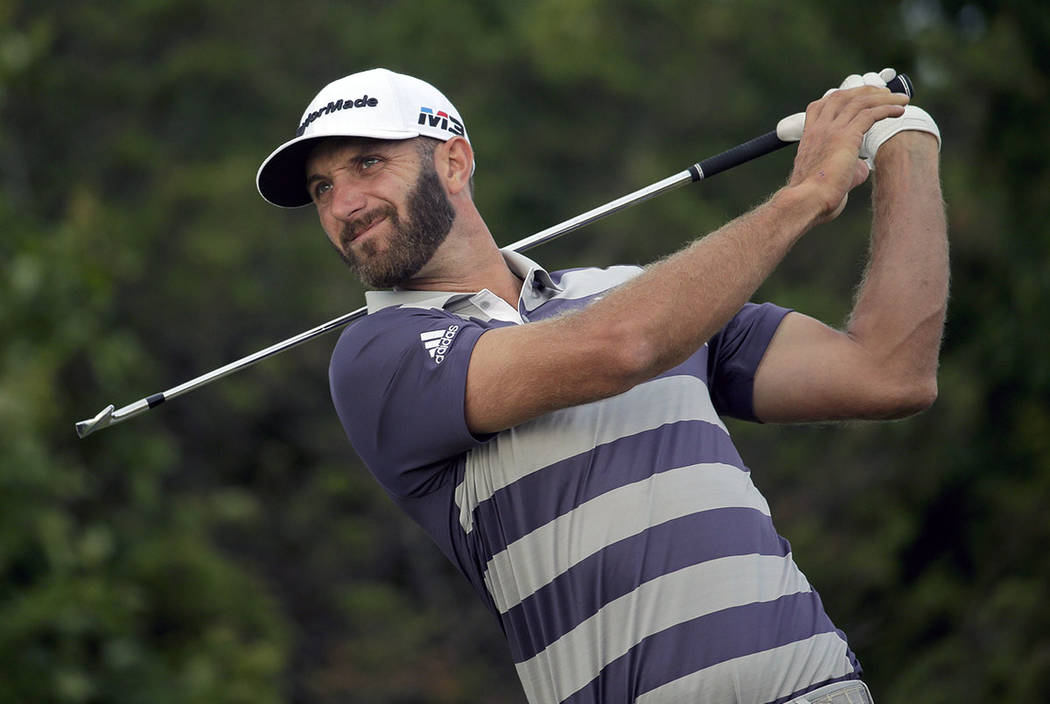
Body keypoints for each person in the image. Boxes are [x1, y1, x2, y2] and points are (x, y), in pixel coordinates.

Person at [256, 67, 946, 704]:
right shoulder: (375, 357)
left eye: (368, 164)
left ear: (454, 162)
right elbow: (621, 348)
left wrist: (904, 142)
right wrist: (807, 195)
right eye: (322, 189)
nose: (344, 204)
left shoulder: (635, 294)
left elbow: (889, 373)